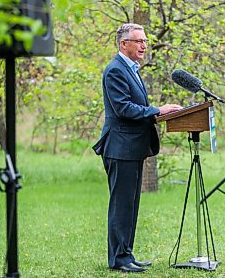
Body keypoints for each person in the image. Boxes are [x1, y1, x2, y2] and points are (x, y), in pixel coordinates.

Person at [93, 23, 182, 273]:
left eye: (145, 41)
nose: (144, 45)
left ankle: (127, 254)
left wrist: (158, 112)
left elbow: (135, 106)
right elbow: (123, 109)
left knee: (130, 205)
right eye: (139, 41)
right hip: (120, 147)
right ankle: (119, 259)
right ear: (124, 44)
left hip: (132, 147)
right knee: (121, 205)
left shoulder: (131, 69)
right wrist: (158, 110)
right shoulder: (115, 71)